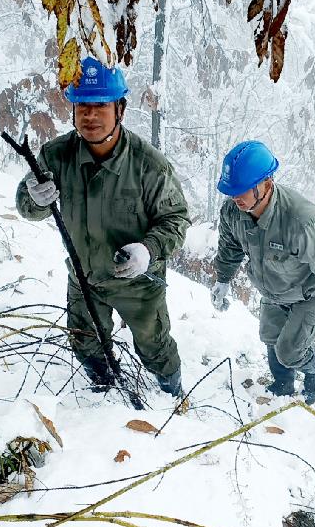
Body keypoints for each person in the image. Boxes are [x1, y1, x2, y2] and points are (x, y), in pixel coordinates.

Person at [16, 57, 190, 397]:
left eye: (100, 106)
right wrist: (35, 199)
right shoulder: (57, 155)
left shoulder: (148, 165)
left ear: (120, 110)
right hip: (84, 278)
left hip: (137, 282)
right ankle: (105, 391)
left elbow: (177, 219)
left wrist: (148, 250)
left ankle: (172, 394)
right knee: (85, 345)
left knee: (154, 348)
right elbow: (28, 205)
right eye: (82, 106)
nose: (90, 116)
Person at [210, 140, 315, 404]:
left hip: (310, 294)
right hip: (273, 290)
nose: (236, 197)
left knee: (290, 352)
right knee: (271, 340)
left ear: (266, 183)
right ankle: (283, 387)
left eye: (242, 190)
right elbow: (229, 247)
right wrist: (223, 280)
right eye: (232, 191)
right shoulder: (232, 212)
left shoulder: (300, 221)